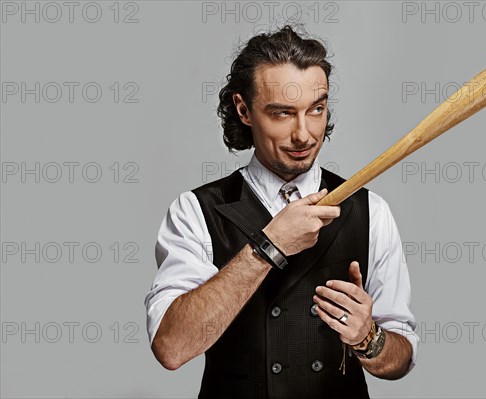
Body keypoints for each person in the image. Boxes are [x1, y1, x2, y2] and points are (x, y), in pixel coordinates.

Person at [144, 25, 419, 398]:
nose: (304, 134)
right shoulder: (196, 211)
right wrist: (270, 244)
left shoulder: (370, 211)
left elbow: (399, 360)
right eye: (282, 113)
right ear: (244, 110)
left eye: (316, 109)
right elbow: (172, 348)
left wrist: (368, 338)